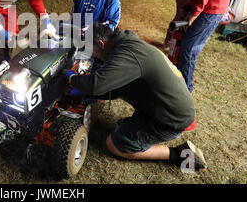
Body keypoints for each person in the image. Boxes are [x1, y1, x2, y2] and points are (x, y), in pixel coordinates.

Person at [64, 22, 206, 171]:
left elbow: (96, 85)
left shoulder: (127, 55)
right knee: (125, 127)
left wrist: (71, 78)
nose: (93, 55)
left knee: (115, 144)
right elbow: (117, 88)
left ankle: (180, 154)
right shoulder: (126, 43)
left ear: (101, 43)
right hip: (168, 106)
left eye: (92, 50)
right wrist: (86, 91)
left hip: (172, 119)